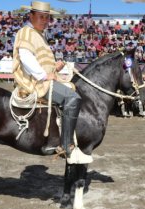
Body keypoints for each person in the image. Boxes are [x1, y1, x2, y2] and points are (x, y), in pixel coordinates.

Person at [12, 1, 92, 164]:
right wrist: (43, 75)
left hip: (43, 79)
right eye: (41, 17)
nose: (44, 20)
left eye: (47, 17)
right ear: (31, 16)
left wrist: (55, 67)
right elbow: (26, 57)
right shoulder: (26, 32)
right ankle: (67, 147)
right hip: (35, 82)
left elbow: (41, 63)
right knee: (73, 98)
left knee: (72, 90)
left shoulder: (40, 36)